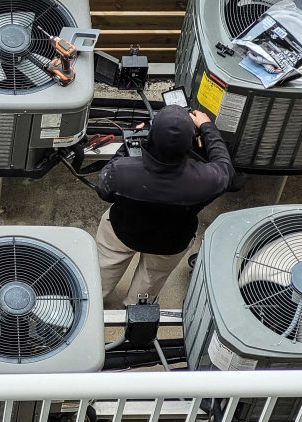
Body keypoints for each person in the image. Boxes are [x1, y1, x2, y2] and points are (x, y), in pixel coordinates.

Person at [95, 104, 234, 306]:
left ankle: (94, 298)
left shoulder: (121, 172)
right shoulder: (206, 180)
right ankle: (136, 313)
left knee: (103, 268)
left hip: (122, 230)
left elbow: (103, 189)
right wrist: (207, 127)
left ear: (151, 138)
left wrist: (131, 140)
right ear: (191, 144)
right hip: (171, 241)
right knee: (150, 281)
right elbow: (225, 167)